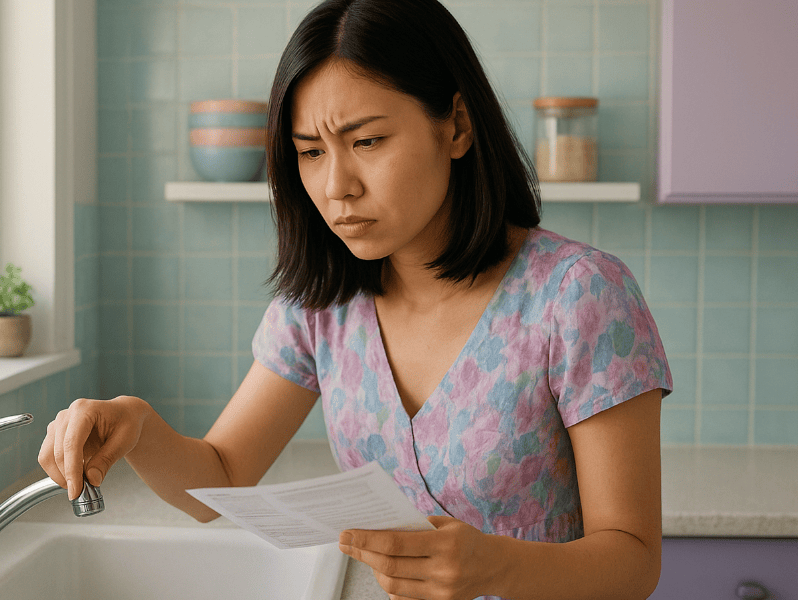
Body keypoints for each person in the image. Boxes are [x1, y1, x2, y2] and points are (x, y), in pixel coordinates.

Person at [39, 0, 672, 598]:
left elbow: (633, 559)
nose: (337, 186)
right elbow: (221, 479)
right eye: (311, 153)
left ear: (456, 126)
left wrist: (496, 564)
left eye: (367, 142)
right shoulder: (320, 307)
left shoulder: (579, 296)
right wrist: (138, 425)